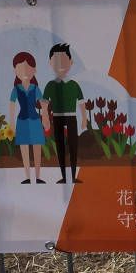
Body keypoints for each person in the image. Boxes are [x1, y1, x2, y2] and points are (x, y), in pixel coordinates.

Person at [40, 43, 88, 184]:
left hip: (71, 117)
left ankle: (72, 175)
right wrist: (45, 117)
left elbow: (81, 102)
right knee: (60, 145)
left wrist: (84, 118)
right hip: (57, 118)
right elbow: (44, 103)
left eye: (64, 60)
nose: (60, 64)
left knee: (73, 145)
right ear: (50, 63)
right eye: (56, 60)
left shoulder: (74, 85)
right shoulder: (50, 85)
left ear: (71, 62)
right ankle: (64, 176)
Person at [8, 52, 45, 184]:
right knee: (24, 149)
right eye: (19, 68)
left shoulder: (36, 88)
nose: (24, 71)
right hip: (22, 120)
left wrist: (45, 119)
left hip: (35, 120)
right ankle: (28, 177)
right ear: (15, 71)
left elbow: (43, 104)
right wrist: (11, 123)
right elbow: (11, 105)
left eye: (27, 67)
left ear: (34, 70)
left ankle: (38, 176)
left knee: (36, 148)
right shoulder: (15, 89)